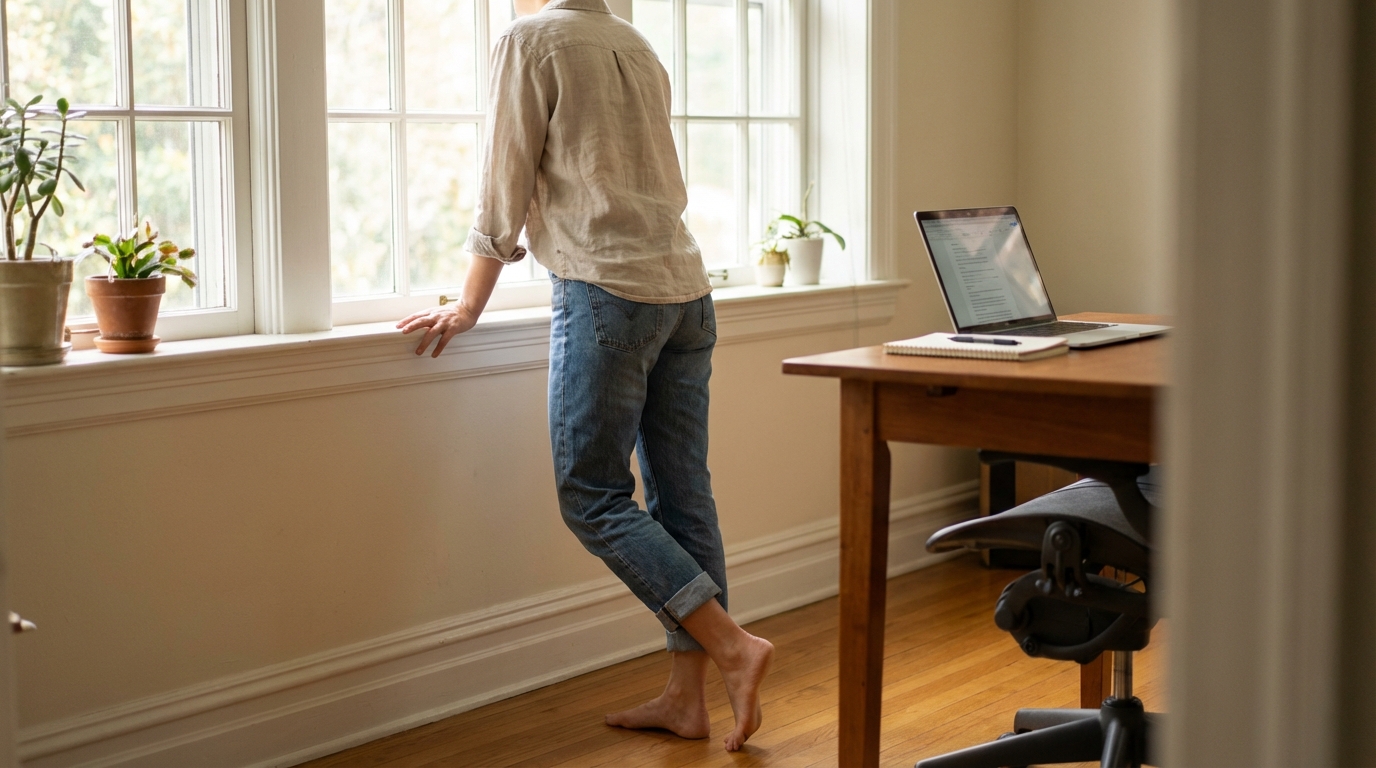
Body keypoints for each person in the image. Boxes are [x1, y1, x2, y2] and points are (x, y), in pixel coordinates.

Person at [396, 0, 774, 753]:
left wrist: (468, 305)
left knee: (591, 495)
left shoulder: (530, 40)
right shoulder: (634, 42)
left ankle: (733, 646)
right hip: (686, 293)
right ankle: (686, 700)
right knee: (683, 495)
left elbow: (503, 183)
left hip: (608, 292)